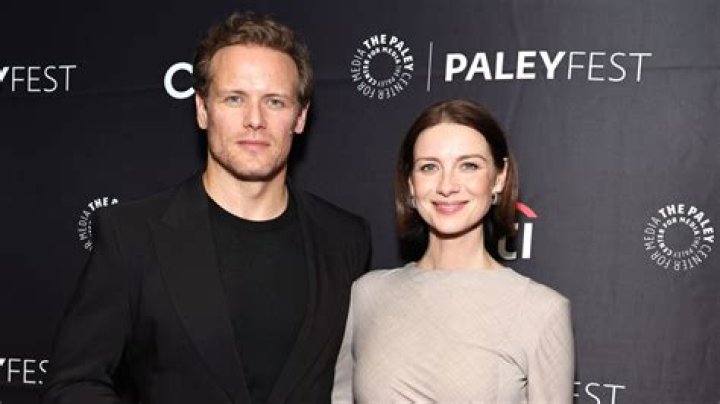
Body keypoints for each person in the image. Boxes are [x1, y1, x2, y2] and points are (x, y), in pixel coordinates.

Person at [43, 12, 370, 404]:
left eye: (275, 101)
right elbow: (73, 384)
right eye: (234, 99)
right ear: (202, 109)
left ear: (299, 117)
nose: (255, 120)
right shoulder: (131, 234)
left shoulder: (345, 239)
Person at [332, 99, 574, 403]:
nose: (447, 186)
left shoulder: (541, 310)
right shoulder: (367, 294)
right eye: (429, 167)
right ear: (411, 183)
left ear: (499, 178)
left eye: (468, 165)